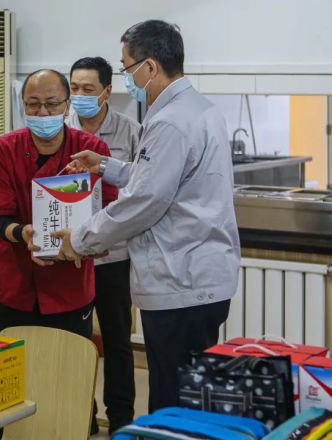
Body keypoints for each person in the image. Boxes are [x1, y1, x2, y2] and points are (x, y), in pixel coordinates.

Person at [54, 20, 240, 413]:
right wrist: (106, 166)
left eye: (127, 68)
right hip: (201, 276)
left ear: (150, 67)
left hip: (180, 280)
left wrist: (80, 239)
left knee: (172, 403)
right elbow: (162, 180)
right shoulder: (200, 109)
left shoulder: (168, 120)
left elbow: (144, 200)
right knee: (189, 395)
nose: (128, 79)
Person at [0, 69, 117, 438]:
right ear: (22, 105)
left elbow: (107, 216)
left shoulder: (91, 150)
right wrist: (22, 234)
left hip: (69, 290)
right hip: (14, 287)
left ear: (67, 105)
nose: (43, 113)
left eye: (52, 104)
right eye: (33, 104)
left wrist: (88, 244)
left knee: (67, 385)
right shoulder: (2, 150)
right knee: (5, 385)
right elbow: (0, 220)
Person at [66, 56, 140, 433]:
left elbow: (142, 190)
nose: (79, 95)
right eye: (74, 88)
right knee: (75, 341)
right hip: (72, 257)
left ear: (107, 91)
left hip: (114, 255)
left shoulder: (132, 132)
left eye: (88, 89)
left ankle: (121, 420)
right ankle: (83, 414)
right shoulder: (60, 130)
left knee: (117, 341)